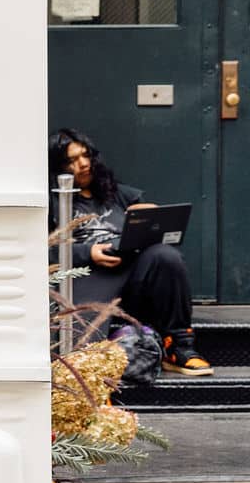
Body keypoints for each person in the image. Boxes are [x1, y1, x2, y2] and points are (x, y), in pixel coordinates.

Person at [51, 127, 211, 376]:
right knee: (81, 358)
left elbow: (151, 231)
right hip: (89, 279)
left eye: (85, 155)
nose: (83, 164)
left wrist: (150, 217)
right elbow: (40, 250)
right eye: (71, 160)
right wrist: (88, 253)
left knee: (165, 256)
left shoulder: (116, 193)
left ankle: (179, 347)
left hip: (132, 277)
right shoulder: (51, 202)